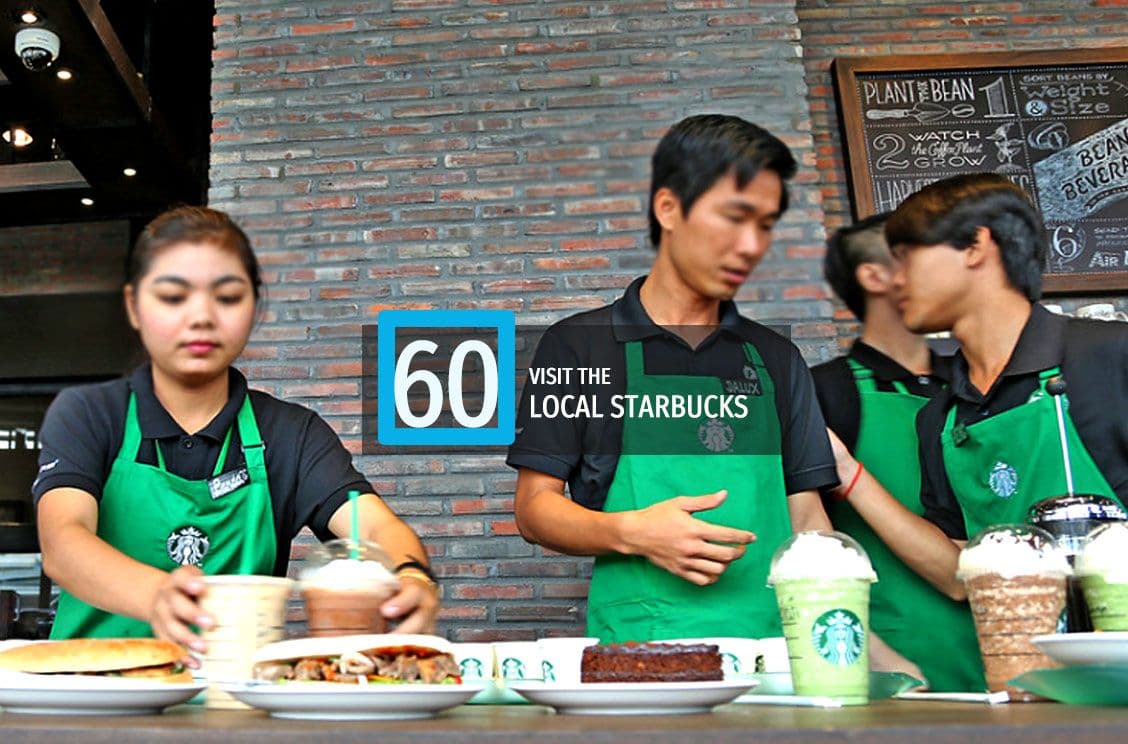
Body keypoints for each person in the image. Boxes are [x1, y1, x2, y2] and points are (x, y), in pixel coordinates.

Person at [34, 206, 440, 652]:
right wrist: (155, 595)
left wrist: (413, 575)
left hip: (233, 702)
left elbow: (377, 529)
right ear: (134, 306)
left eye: (227, 297)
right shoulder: (89, 414)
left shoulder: (291, 435)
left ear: (254, 307)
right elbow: (63, 541)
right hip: (89, 692)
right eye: (173, 297)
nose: (202, 317)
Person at [506, 114, 844, 643]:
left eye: (764, 224)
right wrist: (634, 532)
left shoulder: (774, 356)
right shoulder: (580, 345)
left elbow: (804, 512)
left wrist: (838, 633)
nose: (751, 245)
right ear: (669, 208)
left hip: (777, 652)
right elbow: (534, 511)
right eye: (733, 216)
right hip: (641, 649)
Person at [827, 173, 1128, 602]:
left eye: (906, 255)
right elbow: (958, 573)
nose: (896, 279)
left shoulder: (1109, 356)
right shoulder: (941, 418)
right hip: (1019, 662)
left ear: (975, 245)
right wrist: (846, 470)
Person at [812, 215, 984, 692]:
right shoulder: (826, 393)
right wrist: (872, 654)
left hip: (1011, 653)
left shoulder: (977, 383)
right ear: (876, 276)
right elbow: (808, 548)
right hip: (902, 669)